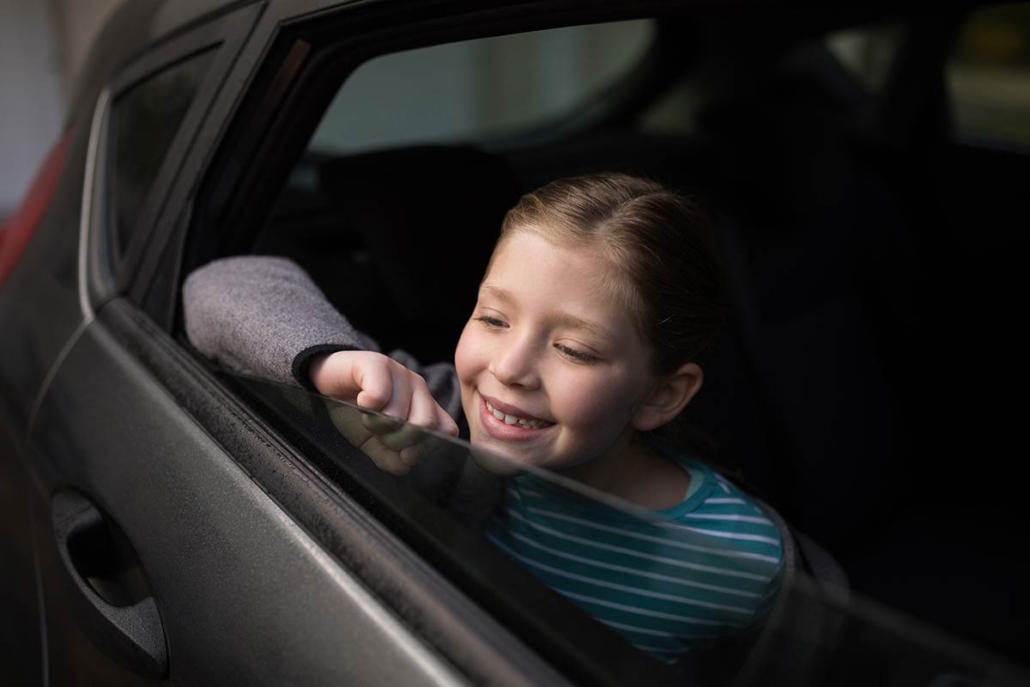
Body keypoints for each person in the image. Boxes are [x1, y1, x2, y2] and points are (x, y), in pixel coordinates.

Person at [184, 173, 783, 663]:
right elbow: (220, 286)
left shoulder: (743, 558)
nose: (510, 367)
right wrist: (332, 360)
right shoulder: (436, 414)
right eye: (494, 319)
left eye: (574, 350)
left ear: (662, 395)